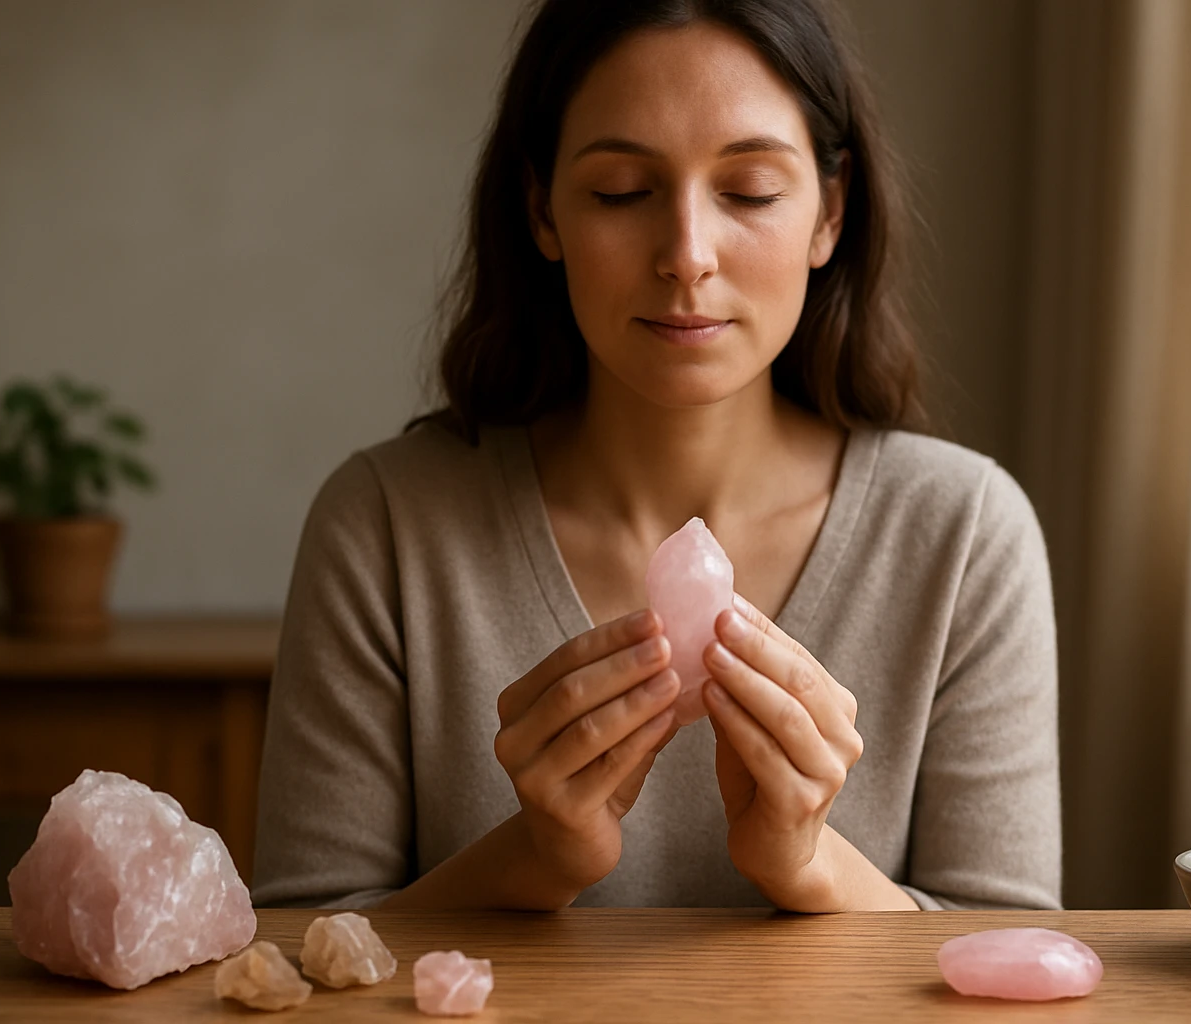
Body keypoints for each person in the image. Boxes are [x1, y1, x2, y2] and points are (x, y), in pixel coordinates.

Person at [251, 0, 1060, 914]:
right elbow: (293, 955)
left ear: (830, 213)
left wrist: (810, 864)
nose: (686, 255)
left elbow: (1012, 964)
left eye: (750, 191)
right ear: (541, 210)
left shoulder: (966, 535)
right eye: (621, 193)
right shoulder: (387, 526)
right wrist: (537, 857)